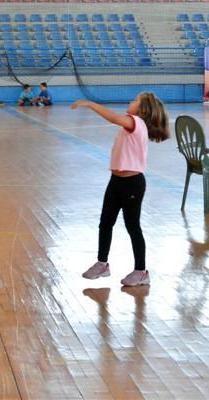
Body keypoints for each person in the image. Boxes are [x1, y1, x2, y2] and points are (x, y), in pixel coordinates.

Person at [74, 93, 170, 287]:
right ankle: (102, 263)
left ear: (142, 110)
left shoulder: (135, 122)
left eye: (135, 101)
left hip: (132, 183)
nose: (130, 102)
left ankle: (141, 271)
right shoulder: (132, 125)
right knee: (105, 223)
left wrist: (90, 103)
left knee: (132, 226)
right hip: (116, 181)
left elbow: (112, 117)